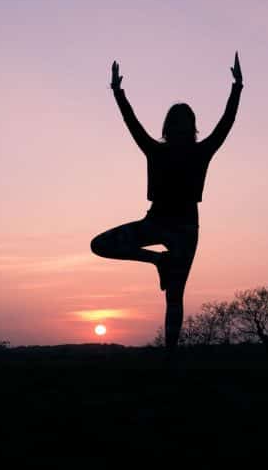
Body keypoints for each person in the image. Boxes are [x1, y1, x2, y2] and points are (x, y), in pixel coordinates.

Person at [90, 53, 244, 350]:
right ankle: (159, 261)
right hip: (158, 223)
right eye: (177, 123)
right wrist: (117, 93)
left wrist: (237, 87)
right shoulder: (156, 151)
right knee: (102, 245)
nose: (180, 128)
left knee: (174, 297)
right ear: (169, 127)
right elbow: (131, 123)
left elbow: (227, 122)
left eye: (184, 123)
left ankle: (170, 359)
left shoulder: (201, 152)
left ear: (190, 127)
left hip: (184, 229)